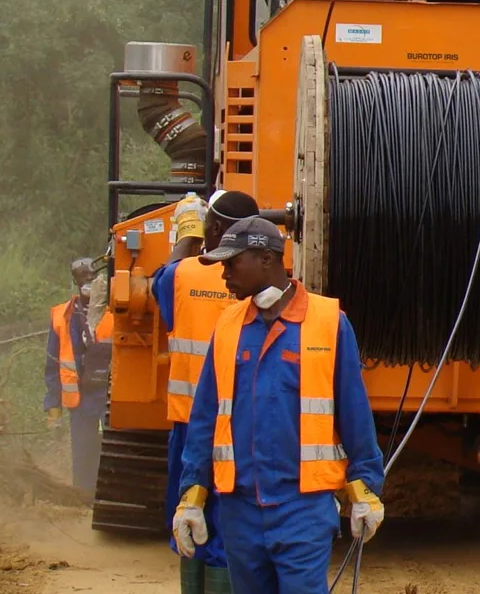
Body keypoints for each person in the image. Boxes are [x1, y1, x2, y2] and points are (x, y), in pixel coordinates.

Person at [173, 217, 385, 594]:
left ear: (267, 259)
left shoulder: (329, 323)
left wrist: (366, 486)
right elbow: (205, 416)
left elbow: (354, 412)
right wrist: (191, 495)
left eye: (232, 263)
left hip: (302, 508)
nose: (224, 275)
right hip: (240, 509)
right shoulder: (228, 325)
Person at [153, 190, 259, 593]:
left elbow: (160, 286)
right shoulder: (259, 278)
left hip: (188, 426)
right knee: (228, 523)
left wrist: (186, 230)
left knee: (187, 518)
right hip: (240, 428)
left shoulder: (182, 275)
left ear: (213, 228)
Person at [45, 258, 109, 497]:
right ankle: (83, 504)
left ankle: (108, 501)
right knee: (83, 458)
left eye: (91, 277)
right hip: (80, 401)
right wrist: (53, 411)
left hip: (109, 398)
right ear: (75, 281)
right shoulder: (61, 316)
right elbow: (52, 367)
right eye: (82, 277)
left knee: (111, 457)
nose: (87, 282)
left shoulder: (116, 310)